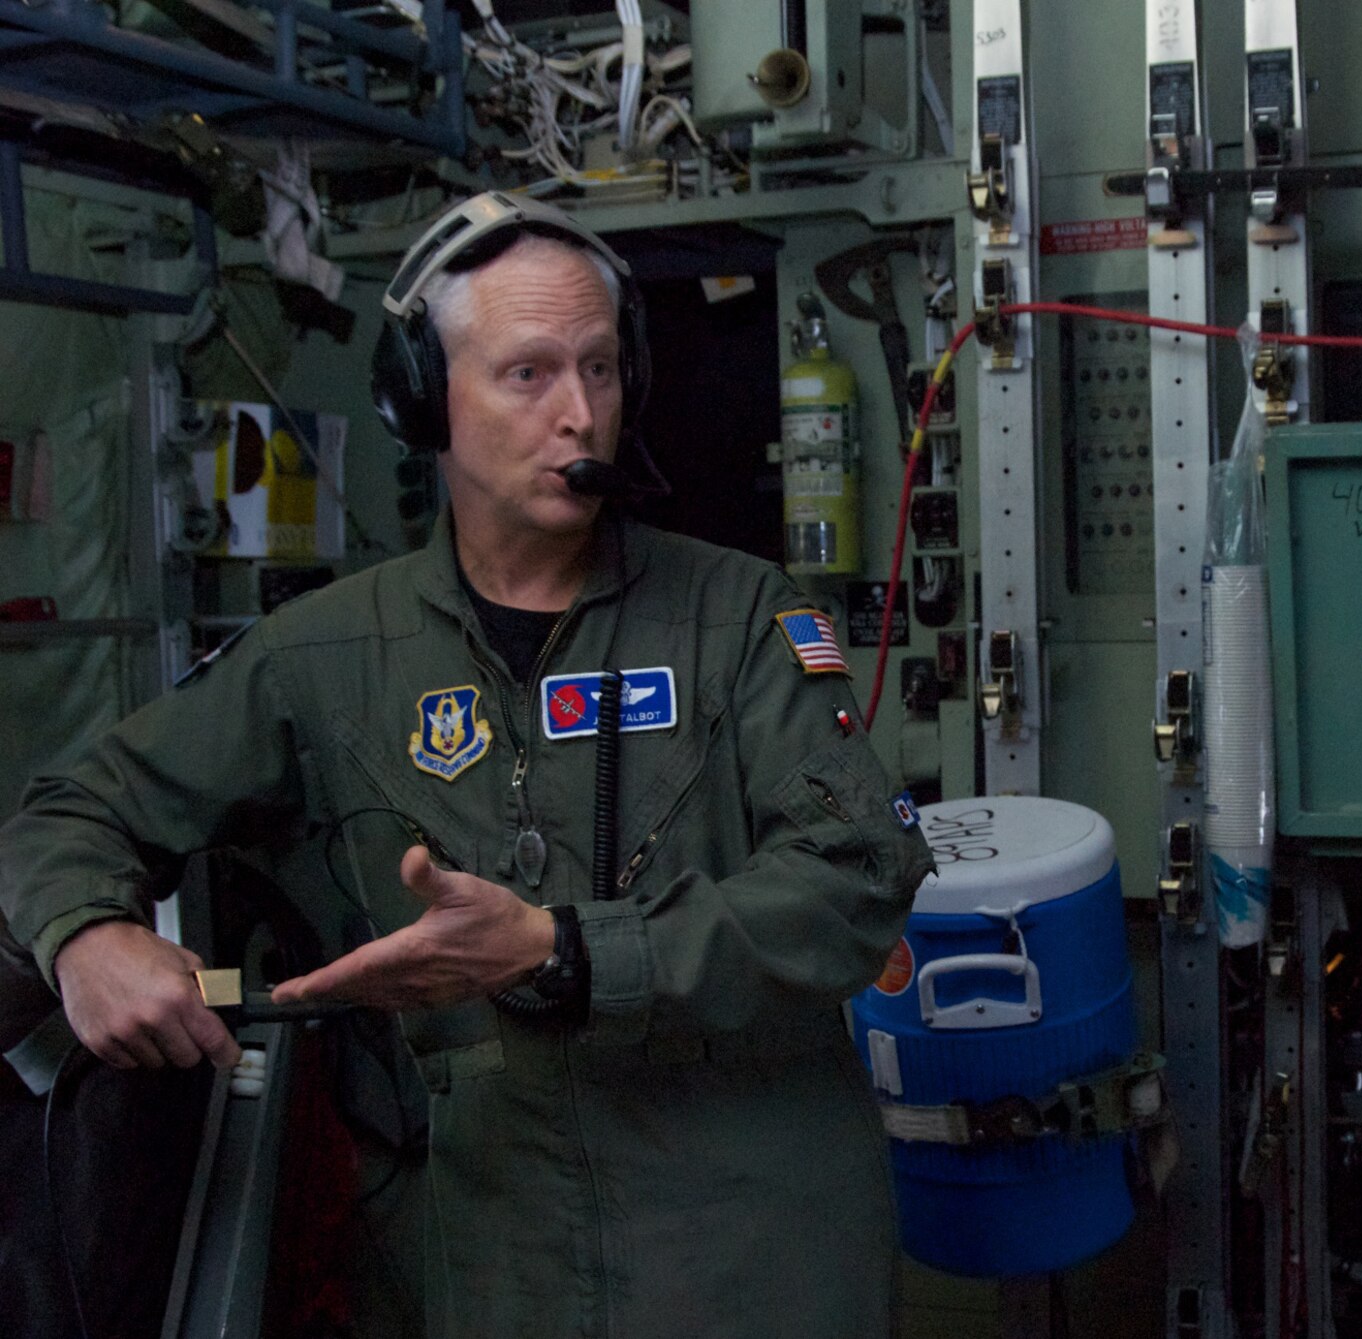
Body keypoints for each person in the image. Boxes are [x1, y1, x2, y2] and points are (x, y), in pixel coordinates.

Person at [0, 191, 933, 1338]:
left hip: (744, 1252)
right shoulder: (323, 653)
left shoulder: (739, 619)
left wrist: (561, 948)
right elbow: (70, 811)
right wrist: (86, 935)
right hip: (478, 1260)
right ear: (418, 400)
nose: (580, 414)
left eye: (600, 368)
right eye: (528, 374)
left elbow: (857, 874)